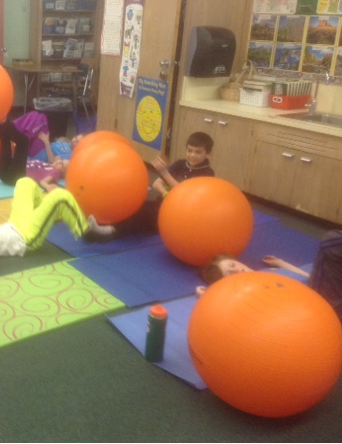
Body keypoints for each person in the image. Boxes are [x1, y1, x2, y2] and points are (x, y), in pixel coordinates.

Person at [0, 176, 111, 261]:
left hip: (15, 224)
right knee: (60, 196)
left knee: (25, 182)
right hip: (25, 238)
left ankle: (48, 212)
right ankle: (87, 232)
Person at [87, 131, 215, 240]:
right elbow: (156, 183)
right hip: (164, 203)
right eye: (189, 150)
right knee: (137, 206)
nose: (192, 155)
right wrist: (166, 194)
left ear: (208, 154)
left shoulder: (207, 173)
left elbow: (186, 193)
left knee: (143, 217)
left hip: (180, 215)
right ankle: (104, 224)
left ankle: (109, 231)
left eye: (198, 152)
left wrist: (165, 174)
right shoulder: (181, 164)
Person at [198, 230, 342, 321]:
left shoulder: (269, 271)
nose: (236, 270)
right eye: (229, 273)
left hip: (327, 292)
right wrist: (208, 296)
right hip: (319, 307)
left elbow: (308, 277)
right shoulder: (249, 292)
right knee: (330, 243)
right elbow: (231, 314)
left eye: (232, 265)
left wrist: (281, 263)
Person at [0, 120, 69, 187]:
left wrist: (48, 187)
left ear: (63, 174)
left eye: (62, 166)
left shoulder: (55, 173)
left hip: (15, 178)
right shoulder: (48, 164)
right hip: (4, 174)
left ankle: (6, 122)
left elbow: (43, 182)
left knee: (24, 141)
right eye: (62, 161)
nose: (59, 162)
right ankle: (1, 121)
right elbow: (54, 159)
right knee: (5, 136)